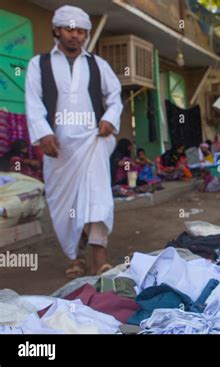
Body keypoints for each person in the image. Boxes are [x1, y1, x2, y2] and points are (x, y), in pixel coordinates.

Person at [25, 5, 123, 278]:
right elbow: (33, 103)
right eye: (70, 29)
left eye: (81, 31)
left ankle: (98, 256)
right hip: (59, 148)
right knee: (65, 207)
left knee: (97, 196)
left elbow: (115, 96)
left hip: (94, 141)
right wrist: (43, 133)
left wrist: (110, 119)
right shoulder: (39, 64)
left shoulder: (97, 64)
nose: (75, 36)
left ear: (86, 34)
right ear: (57, 30)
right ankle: (75, 256)